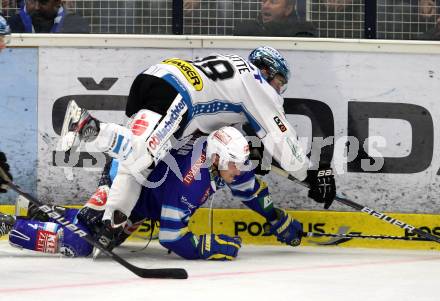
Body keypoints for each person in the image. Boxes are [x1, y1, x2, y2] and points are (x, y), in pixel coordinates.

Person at [59, 46, 336, 238]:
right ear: (266, 70)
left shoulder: (233, 67)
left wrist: (254, 153)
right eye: (279, 81)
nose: (279, 90)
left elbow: (229, 132)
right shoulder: (257, 84)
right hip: (179, 95)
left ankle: (111, 221)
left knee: (136, 166)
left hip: (155, 76)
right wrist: (311, 175)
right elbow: (282, 138)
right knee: (142, 154)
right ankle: (87, 125)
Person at [0, 127, 304, 260]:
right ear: (215, 158)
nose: (238, 170)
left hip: (144, 195)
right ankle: (11, 226)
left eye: (239, 164)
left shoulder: (224, 160)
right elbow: (172, 237)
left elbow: (248, 189)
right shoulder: (191, 183)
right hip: (124, 182)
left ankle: (37, 210)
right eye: (233, 164)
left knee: (97, 233)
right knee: (85, 244)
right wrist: (208, 248)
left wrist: (276, 216)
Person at [234, 0, 317, 37]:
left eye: (273, 2)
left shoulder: (305, 31)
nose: (265, 6)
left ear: (288, 9)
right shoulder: (245, 29)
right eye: (264, 1)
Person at [8, 0, 90, 33]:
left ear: (57, 2)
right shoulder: (17, 21)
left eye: (43, 3)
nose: (36, 7)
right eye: (33, 1)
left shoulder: (75, 23)